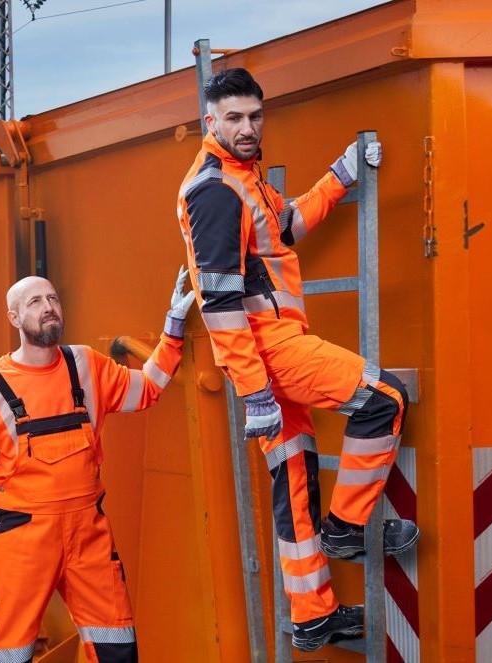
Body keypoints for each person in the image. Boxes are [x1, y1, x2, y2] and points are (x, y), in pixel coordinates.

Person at [176, 67, 417, 652]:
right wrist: (256, 390)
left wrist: (338, 177)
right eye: (233, 117)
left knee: (296, 476)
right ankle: (347, 528)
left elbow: (284, 227)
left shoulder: (243, 179)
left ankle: (312, 616)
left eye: (255, 116)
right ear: (211, 121)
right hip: (270, 348)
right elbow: (219, 298)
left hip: (270, 349)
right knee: (382, 400)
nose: (247, 127)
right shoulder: (214, 189)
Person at [0, 270, 194, 663]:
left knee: (117, 646)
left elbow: (146, 388)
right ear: (14, 318)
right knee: (8, 653)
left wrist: (173, 330)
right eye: (35, 302)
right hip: (22, 538)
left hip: (88, 535)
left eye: (53, 299)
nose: (48, 308)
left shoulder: (85, 365)